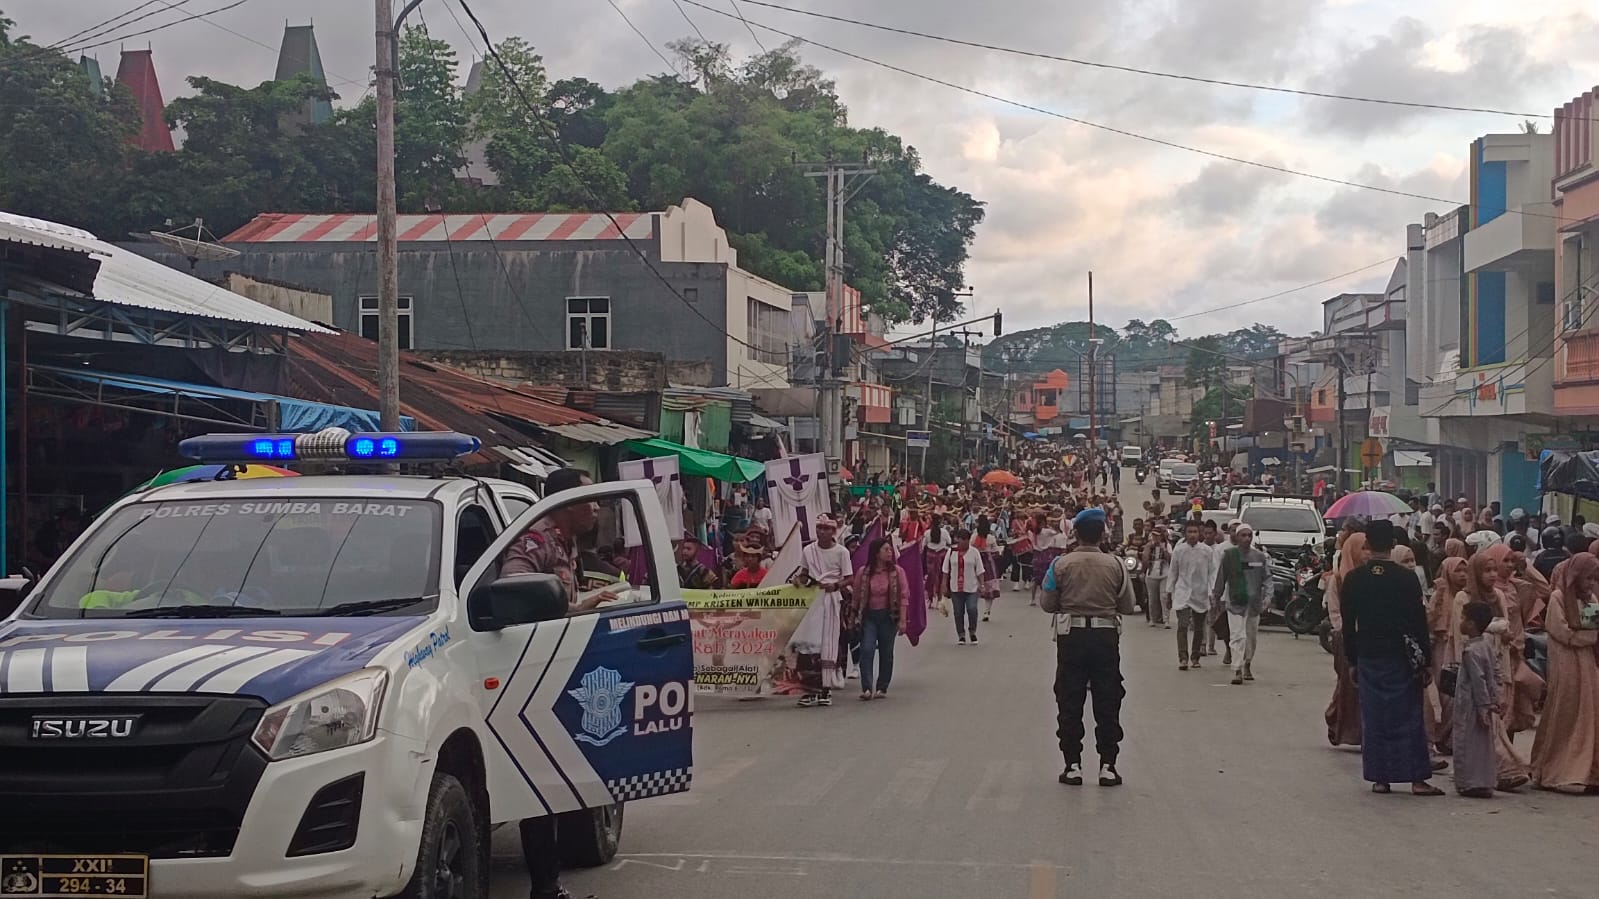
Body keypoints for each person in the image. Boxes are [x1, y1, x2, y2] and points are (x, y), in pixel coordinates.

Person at [502, 467, 612, 899]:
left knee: (554, 786)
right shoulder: (535, 542)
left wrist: (586, 605)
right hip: (527, 680)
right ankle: (544, 889)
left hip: (556, 672)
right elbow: (514, 597)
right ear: (565, 504)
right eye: (591, 499)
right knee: (539, 787)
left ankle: (548, 886)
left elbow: (556, 607)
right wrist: (569, 612)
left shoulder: (566, 542)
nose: (598, 507)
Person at [1341, 520, 1444, 796]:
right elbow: (1418, 622)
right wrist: (1425, 661)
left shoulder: (1354, 579)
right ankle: (1417, 779)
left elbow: (1349, 625)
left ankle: (1380, 778)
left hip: (1369, 655)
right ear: (1392, 545)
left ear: (1367, 545)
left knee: (1375, 718)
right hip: (1402, 657)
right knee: (1409, 717)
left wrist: (1352, 660)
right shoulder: (1407, 578)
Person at [1040, 508, 1137, 787]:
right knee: (1108, 700)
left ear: (1076, 533)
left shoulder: (1060, 564)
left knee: (1069, 700)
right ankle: (1108, 765)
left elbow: (1048, 604)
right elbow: (1128, 606)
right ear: (1102, 534)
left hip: (1072, 638)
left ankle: (1072, 765)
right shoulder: (1116, 564)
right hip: (1105, 639)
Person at [1529, 552, 1599, 792]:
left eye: (1594, 579)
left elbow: (1591, 629)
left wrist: (1586, 636)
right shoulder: (1559, 598)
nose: (1590, 583)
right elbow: (1562, 632)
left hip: (1587, 663)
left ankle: (1585, 770)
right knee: (1566, 709)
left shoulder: (1590, 599)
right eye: (1587, 578)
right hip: (1566, 663)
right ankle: (1555, 769)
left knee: (1588, 711)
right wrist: (1586, 636)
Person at [791, 516, 852, 707]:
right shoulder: (808, 550)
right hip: (812, 600)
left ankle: (826, 689)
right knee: (808, 644)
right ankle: (809, 691)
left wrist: (835, 585)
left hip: (831, 601)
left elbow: (849, 578)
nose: (822, 531)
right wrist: (798, 580)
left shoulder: (841, 552)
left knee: (827, 644)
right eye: (819, 528)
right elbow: (803, 573)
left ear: (833, 532)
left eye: (826, 528)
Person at [1453, 600, 1502, 798]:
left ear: (1471, 624)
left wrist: (1483, 705)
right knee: (1482, 744)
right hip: (1485, 702)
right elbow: (1495, 672)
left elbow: (1478, 680)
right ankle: (1484, 780)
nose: (1461, 622)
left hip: (1470, 704)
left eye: (1463, 618)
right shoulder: (1486, 645)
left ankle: (1468, 782)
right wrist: (1495, 698)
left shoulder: (1470, 651)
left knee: (1467, 741)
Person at [1211, 523, 1271, 685]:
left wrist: (1267, 597)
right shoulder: (1229, 556)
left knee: (1251, 637)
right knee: (1237, 636)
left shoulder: (1259, 557)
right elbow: (1221, 579)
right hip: (1235, 602)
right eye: (1243, 535)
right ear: (1236, 538)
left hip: (1254, 604)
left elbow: (1267, 579)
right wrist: (1216, 598)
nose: (1246, 539)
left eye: (1249, 535)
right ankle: (1236, 669)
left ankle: (1247, 663)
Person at [853, 537, 909, 700]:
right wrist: (853, 618)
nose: (890, 552)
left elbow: (904, 596)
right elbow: (856, 597)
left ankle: (882, 686)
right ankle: (867, 688)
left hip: (888, 616)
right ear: (876, 553)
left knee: (886, 652)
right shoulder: (863, 573)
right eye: (886, 549)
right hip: (869, 617)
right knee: (867, 649)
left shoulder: (897, 572)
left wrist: (903, 620)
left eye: (890, 549)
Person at [1325, 533, 1368, 747]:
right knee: (1347, 686)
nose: (1367, 553)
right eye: (1363, 548)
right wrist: (1347, 630)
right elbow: (1335, 611)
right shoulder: (1339, 579)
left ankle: (1361, 733)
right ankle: (1336, 721)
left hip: (1368, 637)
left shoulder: (1369, 577)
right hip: (1345, 638)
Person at [1169, 520, 1212, 670]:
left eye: (1195, 532)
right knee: (1183, 626)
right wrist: (1170, 592)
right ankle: (1183, 658)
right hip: (1183, 592)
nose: (1192, 535)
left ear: (1199, 533)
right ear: (1185, 534)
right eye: (1189, 532)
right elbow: (1173, 572)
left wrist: (1212, 592)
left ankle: (1195, 657)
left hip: (1201, 593)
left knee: (1199, 628)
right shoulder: (1179, 550)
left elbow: (1212, 572)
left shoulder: (1207, 551)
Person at [941, 528, 986, 644]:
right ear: (958, 539)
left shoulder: (974, 552)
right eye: (962, 540)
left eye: (967, 540)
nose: (965, 543)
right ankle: (961, 634)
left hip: (971, 587)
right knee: (958, 612)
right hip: (955, 587)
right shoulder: (951, 551)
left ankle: (972, 631)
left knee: (972, 609)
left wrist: (982, 584)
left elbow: (980, 570)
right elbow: (945, 569)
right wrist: (943, 585)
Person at [1144, 523, 1172, 629]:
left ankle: (1166, 620)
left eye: (1157, 535)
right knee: (1152, 598)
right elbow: (1145, 559)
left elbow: (1170, 559)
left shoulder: (1167, 545)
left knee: (1163, 597)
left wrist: (1163, 549)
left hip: (1164, 573)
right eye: (1154, 535)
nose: (1155, 537)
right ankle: (1152, 619)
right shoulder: (1148, 545)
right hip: (1151, 574)